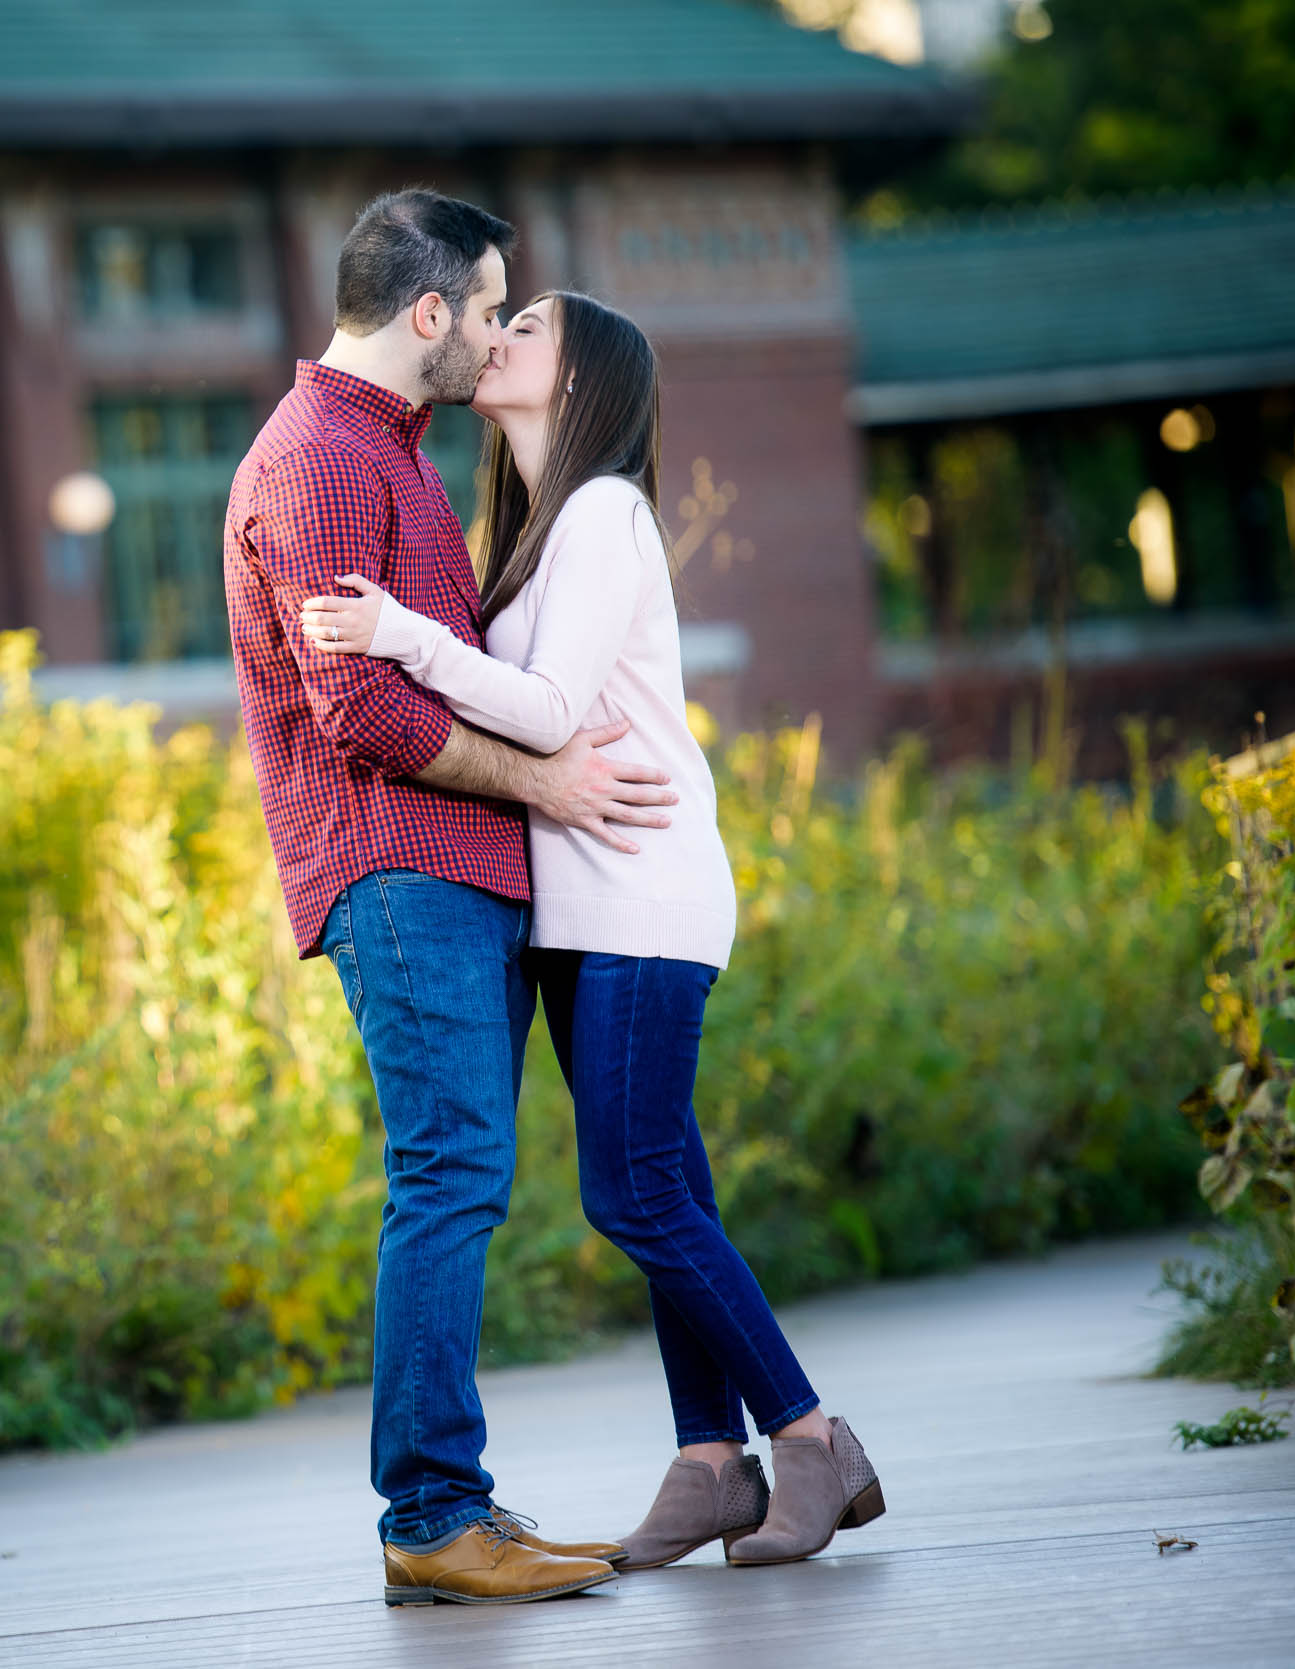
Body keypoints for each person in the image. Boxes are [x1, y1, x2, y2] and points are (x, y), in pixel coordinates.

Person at [297, 288, 888, 1572]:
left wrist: (395, 633)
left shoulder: (605, 513)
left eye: (528, 328)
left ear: (580, 384)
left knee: (630, 1192)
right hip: (577, 904)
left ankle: (809, 1434)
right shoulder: (532, 528)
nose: (497, 335)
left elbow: (555, 708)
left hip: (640, 893)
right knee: (666, 1176)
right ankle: (707, 1461)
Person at [224, 189, 682, 1607]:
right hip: (398, 868)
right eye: (485, 309)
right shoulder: (318, 462)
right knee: (447, 1176)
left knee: (463, 1179)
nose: (491, 336)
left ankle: (454, 1502)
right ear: (428, 312)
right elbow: (355, 704)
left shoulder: (395, 456)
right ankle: (429, 1514)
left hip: (458, 870)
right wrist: (544, 784)